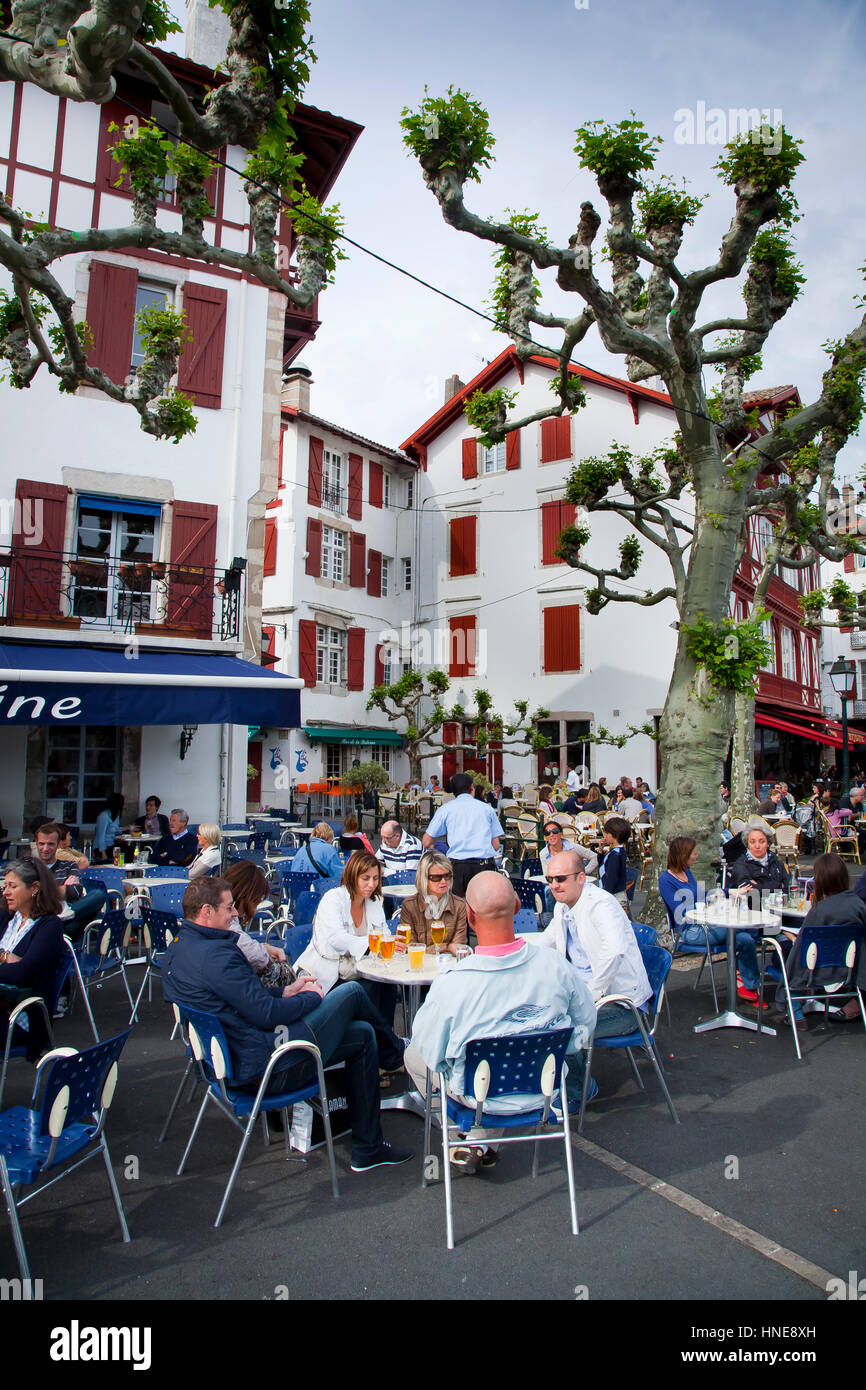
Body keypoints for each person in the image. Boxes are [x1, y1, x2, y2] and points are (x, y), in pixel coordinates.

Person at [162, 875, 413, 1173]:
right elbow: (266, 1014)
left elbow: (244, 998)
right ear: (206, 911)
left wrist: (286, 991)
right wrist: (310, 996)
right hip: (270, 1067)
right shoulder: (216, 955)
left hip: (231, 1063)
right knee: (352, 992)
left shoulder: (179, 948)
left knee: (363, 1034)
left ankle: (368, 1148)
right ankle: (399, 1055)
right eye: (229, 908)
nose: (235, 914)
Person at [406, 871, 596, 1175]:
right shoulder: (556, 966)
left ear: (469, 917)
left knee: (414, 1054)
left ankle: (462, 1139)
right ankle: (480, 1141)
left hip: (478, 1096)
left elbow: (430, 1049)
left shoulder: (454, 982)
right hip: (543, 1090)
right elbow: (585, 1025)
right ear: (519, 906)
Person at [539, 849, 651, 1096]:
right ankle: (548, 1087)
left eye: (561, 879)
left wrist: (591, 996)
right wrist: (511, 953)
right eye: (550, 879)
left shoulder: (601, 905)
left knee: (559, 1029)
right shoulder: (563, 907)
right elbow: (546, 940)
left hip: (622, 1007)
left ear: (581, 878)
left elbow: (614, 951)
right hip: (584, 996)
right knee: (534, 1014)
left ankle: (579, 1091)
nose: (554, 886)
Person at [658, 836, 762, 1004]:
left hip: (706, 925)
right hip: (690, 931)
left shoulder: (686, 872)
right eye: (694, 853)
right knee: (740, 928)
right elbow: (681, 912)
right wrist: (711, 903)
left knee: (745, 939)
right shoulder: (665, 880)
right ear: (683, 855)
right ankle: (757, 932)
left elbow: (701, 896)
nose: (697, 856)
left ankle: (750, 986)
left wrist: (729, 892)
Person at [775, 853, 866, 1030]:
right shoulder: (860, 906)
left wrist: (790, 936)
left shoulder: (820, 911)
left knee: (784, 953)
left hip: (817, 971)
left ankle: (795, 1013)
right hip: (850, 969)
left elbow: (801, 949)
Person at [293, 852, 388, 996]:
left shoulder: (374, 902)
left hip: (359, 971)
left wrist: (390, 942)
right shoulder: (333, 898)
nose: (372, 884)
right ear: (352, 876)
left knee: (386, 986)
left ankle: (380, 1020)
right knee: (365, 990)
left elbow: (384, 934)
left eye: (375, 879)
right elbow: (337, 939)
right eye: (365, 878)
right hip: (327, 975)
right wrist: (373, 943)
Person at [0, 858, 66, 1059]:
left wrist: (15, 966)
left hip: (20, 1017)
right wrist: (5, 957)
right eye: (5, 886)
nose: (5, 892)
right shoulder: (7, 917)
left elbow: (23, 973)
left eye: (12, 886)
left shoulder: (49, 925)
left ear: (34, 888)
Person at [421, 772, 502, 898]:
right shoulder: (487, 809)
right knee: (484, 910)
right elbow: (496, 845)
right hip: (484, 865)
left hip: (457, 866)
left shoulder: (445, 809)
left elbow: (426, 842)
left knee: (457, 911)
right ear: (472, 788)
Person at [223, 860, 294, 988]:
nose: (254, 908)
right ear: (247, 896)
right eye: (256, 901)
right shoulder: (225, 922)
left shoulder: (218, 915)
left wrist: (264, 948)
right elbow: (252, 952)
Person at [34, 822, 106, 942]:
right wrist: (63, 889)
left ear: (58, 845)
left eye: (50, 844)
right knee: (73, 923)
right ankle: (65, 917)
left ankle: (66, 915)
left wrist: (44, 891)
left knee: (99, 895)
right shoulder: (31, 868)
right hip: (45, 922)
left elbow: (75, 892)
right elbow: (31, 896)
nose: (45, 848)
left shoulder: (69, 865)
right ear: (36, 844)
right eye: (41, 844)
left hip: (67, 917)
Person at [398, 852, 468, 954]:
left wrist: (431, 949)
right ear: (424, 878)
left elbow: (458, 946)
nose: (443, 881)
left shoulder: (459, 905)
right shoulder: (409, 905)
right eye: (436, 877)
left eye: (447, 876)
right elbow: (410, 948)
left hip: (448, 966)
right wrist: (447, 947)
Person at [725, 825, 789, 907]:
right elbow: (751, 892)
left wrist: (758, 885)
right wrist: (778, 886)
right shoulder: (741, 864)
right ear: (747, 844)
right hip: (753, 910)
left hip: (779, 909)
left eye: (762, 842)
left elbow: (787, 888)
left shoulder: (777, 861)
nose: (757, 846)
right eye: (752, 842)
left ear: (768, 843)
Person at [598, 816, 631, 909]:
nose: (605, 836)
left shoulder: (615, 855)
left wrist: (605, 895)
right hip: (616, 894)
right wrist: (600, 850)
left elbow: (612, 877)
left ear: (614, 835)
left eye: (607, 833)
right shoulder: (618, 851)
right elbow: (602, 865)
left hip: (613, 897)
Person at [92, 793, 124, 863]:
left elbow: (115, 830)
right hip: (102, 848)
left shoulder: (115, 815)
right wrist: (103, 853)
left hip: (111, 844)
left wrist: (128, 828)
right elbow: (101, 836)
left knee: (122, 857)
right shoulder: (103, 816)